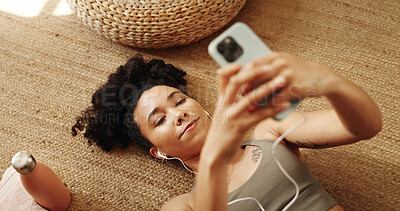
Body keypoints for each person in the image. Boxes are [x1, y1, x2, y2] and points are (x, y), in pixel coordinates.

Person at [72, 52, 382, 211]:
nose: (178, 114)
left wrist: (329, 82)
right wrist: (215, 154)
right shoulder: (183, 205)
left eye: (179, 101)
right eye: (160, 120)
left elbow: (366, 126)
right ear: (159, 152)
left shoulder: (271, 132)